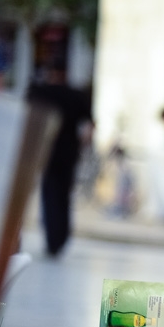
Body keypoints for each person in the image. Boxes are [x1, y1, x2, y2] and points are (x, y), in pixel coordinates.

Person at [27, 65, 94, 257]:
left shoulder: (43, 92)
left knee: (50, 194)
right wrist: (83, 145)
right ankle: (61, 237)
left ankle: (52, 239)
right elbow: (89, 126)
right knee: (63, 195)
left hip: (47, 150)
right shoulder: (75, 95)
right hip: (68, 151)